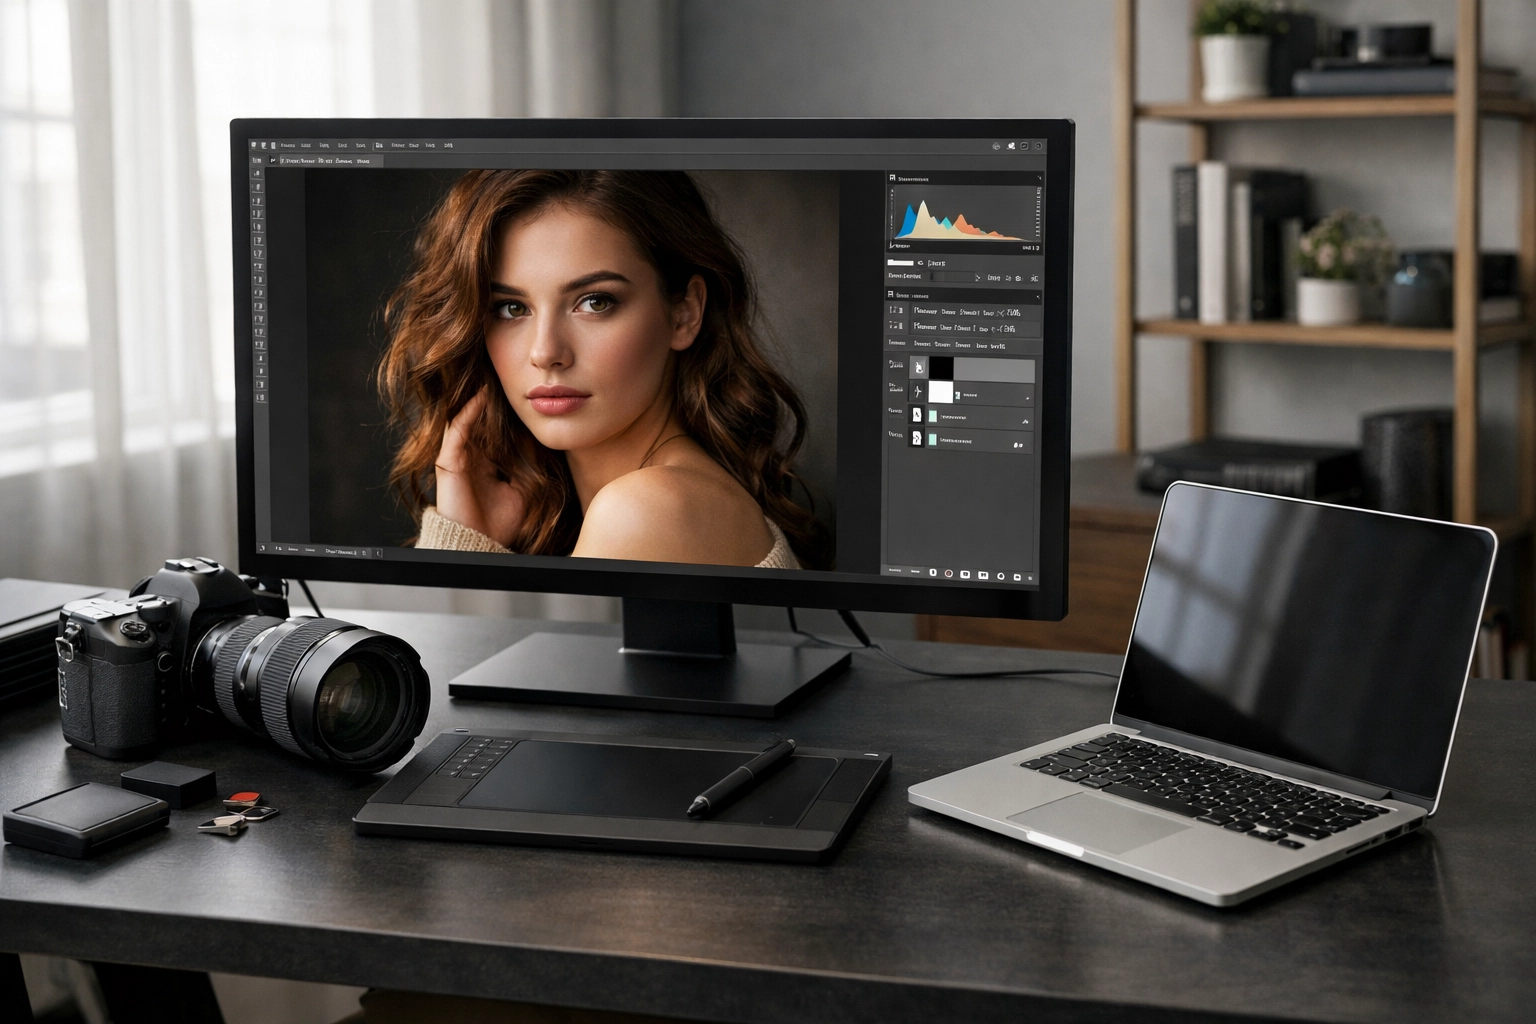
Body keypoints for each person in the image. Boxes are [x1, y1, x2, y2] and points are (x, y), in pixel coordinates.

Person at [378, 169, 826, 569]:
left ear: (685, 313)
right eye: (512, 307)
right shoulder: (630, 504)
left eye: (595, 302)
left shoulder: (649, 509)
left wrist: (456, 557)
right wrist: (474, 539)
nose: (545, 352)